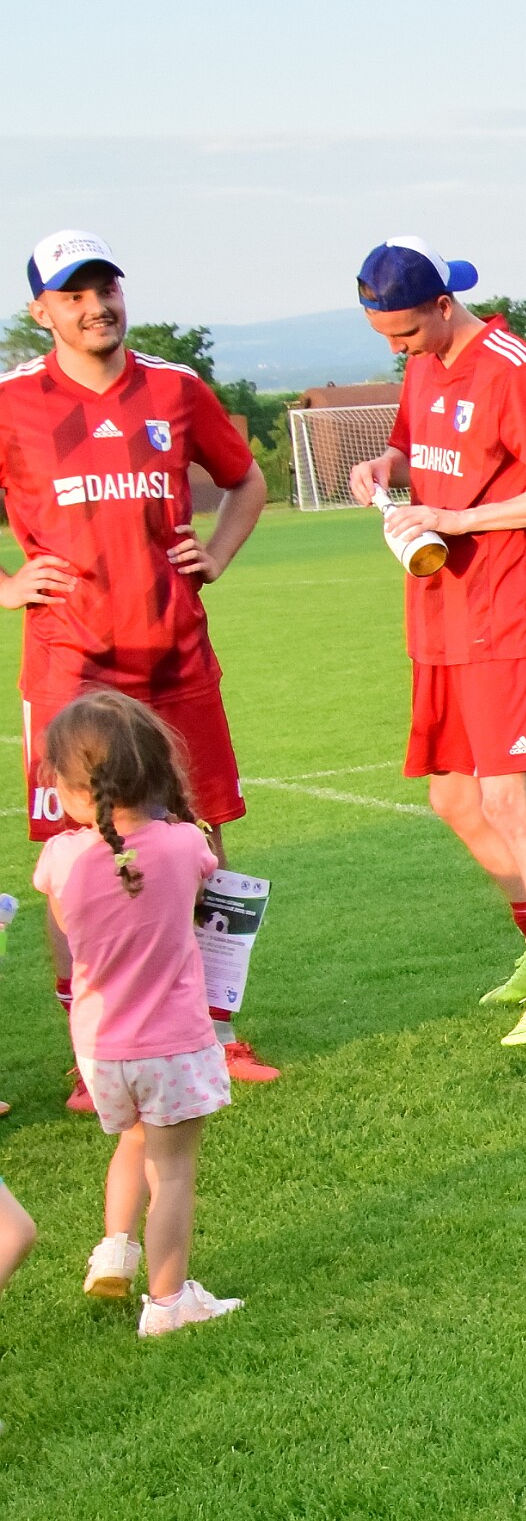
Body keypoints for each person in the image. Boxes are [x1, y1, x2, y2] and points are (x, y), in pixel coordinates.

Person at [0, 230, 279, 1100]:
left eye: (106, 288)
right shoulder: (12, 402)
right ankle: (93, 1051)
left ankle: (214, 1031)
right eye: (74, 295)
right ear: (42, 311)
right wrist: (7, 586)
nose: (97, 307)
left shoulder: (175, 388)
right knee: (77, 854)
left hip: (176, 660)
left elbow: (247, 481)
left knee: (202, 838)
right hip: (71, 669)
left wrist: (217, 556)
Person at [345, 240, 526, 1047]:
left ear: (442, 305)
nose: (397, 350)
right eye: (385, 337)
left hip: (503, 616)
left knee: (507, 802)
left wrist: (459, 519)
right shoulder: (423, 365)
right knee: (454, 801)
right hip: (439, 617)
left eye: (406, 333)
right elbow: (414, 445)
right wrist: (383, 465)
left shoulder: (512, 370)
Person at [37, 690, 243, 1337]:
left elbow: (66, 925)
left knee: (131, 1139)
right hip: (173, 1044)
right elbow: (207, 875)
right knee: (172, 1171)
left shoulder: (61, 858)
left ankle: (115, 1249)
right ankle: (169, 1301)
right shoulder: (183, 846)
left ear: (71, 789)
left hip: (101, 1049)